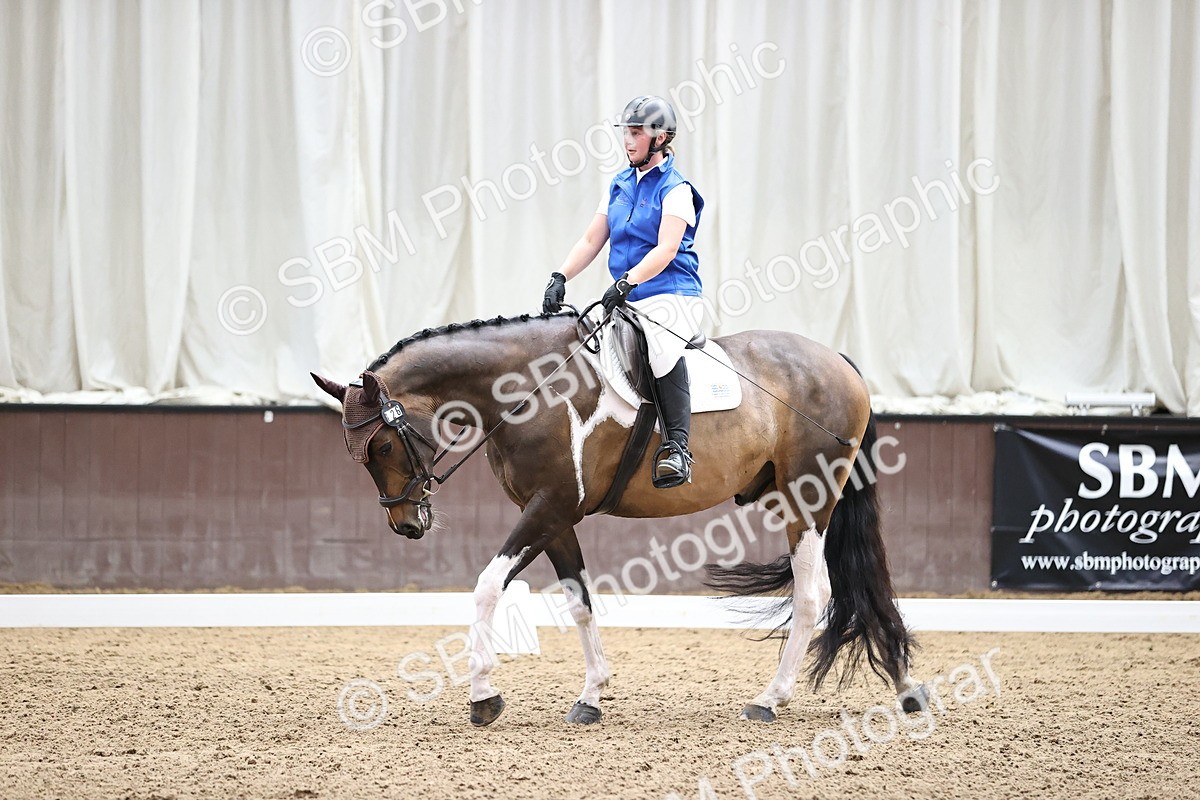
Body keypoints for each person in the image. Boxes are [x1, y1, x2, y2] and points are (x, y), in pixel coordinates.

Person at [541, 95, 705, 489]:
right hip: (627, 296)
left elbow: (666, 249)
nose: (628, 141)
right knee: (580, 336)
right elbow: (591, 240)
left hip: (671, 294)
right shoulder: (618, 185)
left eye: (636, 133)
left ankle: (678, 448)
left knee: (661, 348)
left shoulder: (676, 189)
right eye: (626, 133)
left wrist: (627, 280)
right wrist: (561, 275)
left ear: (660, 138)